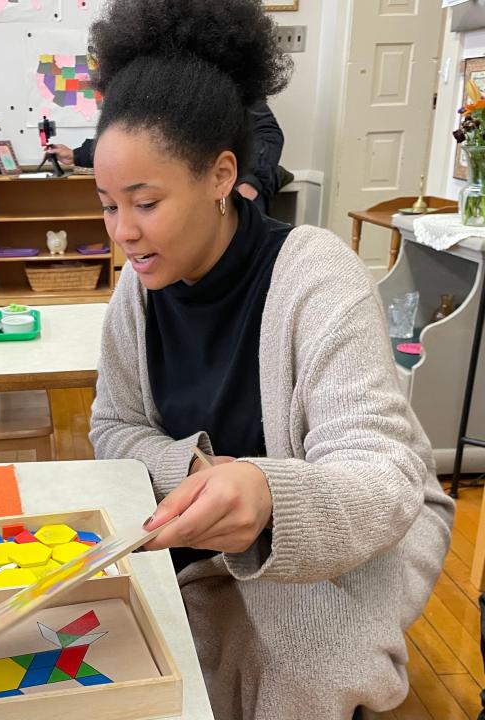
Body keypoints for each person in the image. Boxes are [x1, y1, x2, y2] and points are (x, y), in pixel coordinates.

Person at [85, 1, 454, 718]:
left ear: (222, 174)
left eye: (146, 202)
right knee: (119, 658)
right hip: (209, 545)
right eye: (106, 206)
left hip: (354, 539)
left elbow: (382, 473)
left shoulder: (317, 275)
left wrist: (266, 497)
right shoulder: (138, 292)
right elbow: (114, 428)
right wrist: (200, 474)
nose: (124, 233)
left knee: (302, 671)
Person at [49, 102, 284, 213]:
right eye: (110, 208)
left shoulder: (233, 71)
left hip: (231, 191)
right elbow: (131, 135)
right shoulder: (149, 75)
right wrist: (77, 154)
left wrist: (251, 182)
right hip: (176, 189)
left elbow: (267, 132)